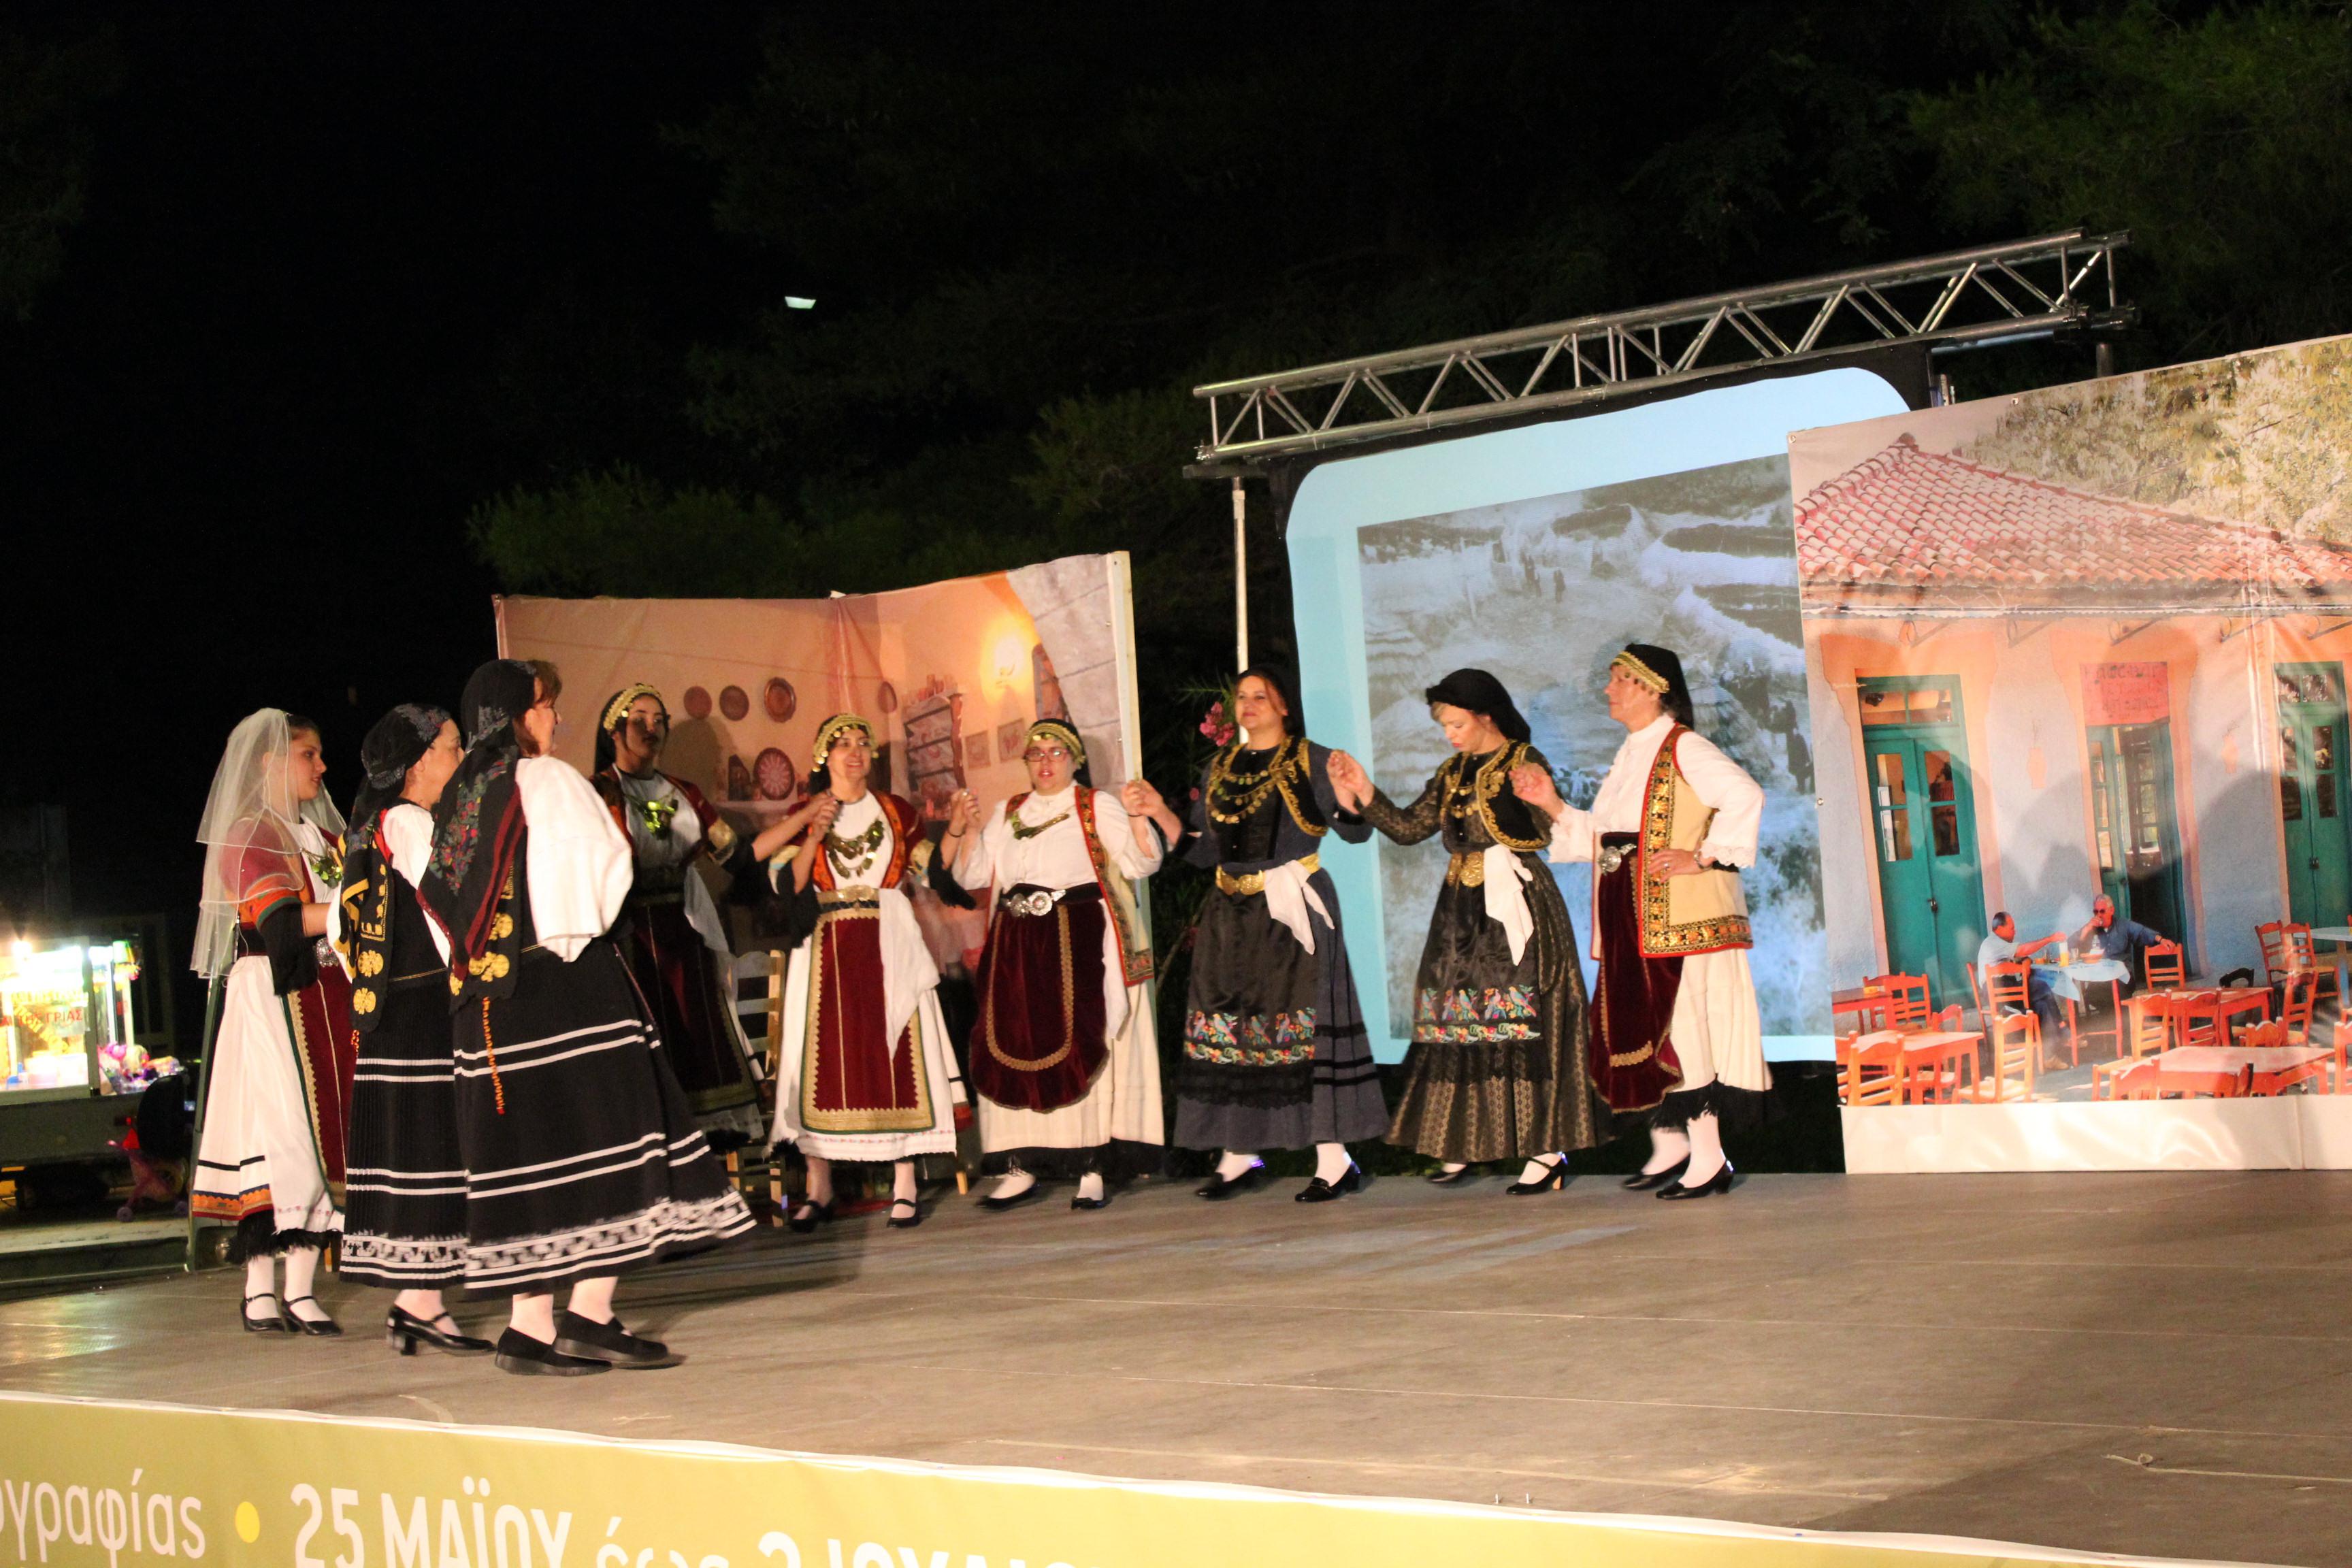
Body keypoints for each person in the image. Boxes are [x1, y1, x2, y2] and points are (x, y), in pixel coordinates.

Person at [422, 659, 754, 1376]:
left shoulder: (457, 802)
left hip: (486, 1004)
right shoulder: (548, 780)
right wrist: (579, 937)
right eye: (544, 707)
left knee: (533, 1159)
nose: (556, 719)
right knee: (623, 1138)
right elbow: (606, 872)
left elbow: (439, 910)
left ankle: (530, 1327)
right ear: (518, 716)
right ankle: (591, 1314)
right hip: (568, 983)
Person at [1327, 670, 1608, 1192]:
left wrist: (1541, 801)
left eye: (1457, 724)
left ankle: (1546, 1152)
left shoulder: (1523, 761)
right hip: (1461, 911)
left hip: (1513, 903)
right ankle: (1464, 1141)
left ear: (1486, 716)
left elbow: (1545, 830)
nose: (1450, 734)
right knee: (1457, 1019)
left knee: (1521, 1019)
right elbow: (1410, 828)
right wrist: (1364, 791)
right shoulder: (1453, 770)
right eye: (1445, 726)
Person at [1512, 644, 1769, 1200]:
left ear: (1654, 689)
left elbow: (1745, 795)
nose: (1609, 690)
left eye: (1621, 680)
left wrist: (1701, 856)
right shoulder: (1633, 752)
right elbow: (1610, 838)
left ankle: (1710, 1160)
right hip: (1634, 917)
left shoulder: (1684, 746)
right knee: (1663, 1036)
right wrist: (1552, 804)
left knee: (1687, 1031)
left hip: (1679, 916)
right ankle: (1687, 1152)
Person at [1126, 667, 1388, 1201]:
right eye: (1241, 697)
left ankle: (1334, 1160)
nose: (1248, 705)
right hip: (1230, 913)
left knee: (1305, 1028)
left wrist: (1347, 797)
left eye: (1260, 696)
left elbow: (1356, 834)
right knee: (1231, 1028)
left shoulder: (1313, 760)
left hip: (1292, 910)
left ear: (1284, 706)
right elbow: (1202, 850)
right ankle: (1239, 1153)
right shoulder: (1221, 767)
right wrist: (1158, 812)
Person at [941, 719, 1164, 1211]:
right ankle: (1017, 1165)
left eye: (1056, 752)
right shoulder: (1009, 811)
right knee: (1008, 1044)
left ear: (1075, 759)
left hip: (1075, 937)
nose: (1045, 762)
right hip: (1016, 944)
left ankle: (1092, 1167)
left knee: (1082, 1042)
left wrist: (1136, 817)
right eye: (1035, 753)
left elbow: (1140, 864)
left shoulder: (1095, 805)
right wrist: (972, 828)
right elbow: (973, 875)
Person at [327, 704, 491, 1356]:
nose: (460, 757)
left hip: (393, 1011)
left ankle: (419, 1302)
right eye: (452, 746)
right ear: (421, 761)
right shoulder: (412, 822)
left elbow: (342, 930)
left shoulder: (371, 827)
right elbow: (449, 904)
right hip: (423, 1012)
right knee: (433, 1144)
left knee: (421, 1147)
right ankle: (419, 1302)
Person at [591, 685, 821, 1147]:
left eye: (659, 720)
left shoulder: (684, 793)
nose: (652, 728)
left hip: (685, 935)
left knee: (699, 1037)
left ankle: (710, 1153)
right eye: (640, 719)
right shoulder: (597, 792)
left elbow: (739, 857)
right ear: (614, 730)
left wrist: (804, 819)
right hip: (630, 937)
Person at [191, 710, 358, 1335]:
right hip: (271, 993)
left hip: (323, 994)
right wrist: (351, 908)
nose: (322, 766)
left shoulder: (323, 837)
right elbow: (280, 924)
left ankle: (301, 1289)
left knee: (319, 1133)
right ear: (270, 761)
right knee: (278, 1129)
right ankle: (260, 1288)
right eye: (308, 754)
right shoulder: (249, 836)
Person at [766, 713, 966, 1232]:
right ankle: (820, 1187)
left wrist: (956, 829)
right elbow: (788, 884)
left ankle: (905, 1183)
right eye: (843, 744)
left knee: (895, 1051)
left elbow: (930, 871)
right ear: (823, 756)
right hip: (827, 941)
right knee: (821, 1057)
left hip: (888, 938)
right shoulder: (803, 813)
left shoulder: (896, 811)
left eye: (862, 743)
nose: (855, 752)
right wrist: (814, 831)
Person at [1975, 912, 2066, 1068]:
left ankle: (2049, 1056)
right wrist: (2050, 939)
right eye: (2012, 928)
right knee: (2043, 987)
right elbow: (2023, 951)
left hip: (2009, 990)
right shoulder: (1993, 944)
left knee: (2042, 1005)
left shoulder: (2002, 944)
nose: (2015, 931)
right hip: (2000, 993)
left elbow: (2025, 958)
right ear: (1999, 929)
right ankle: (2063, 1030)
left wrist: (2025, 965)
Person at [2073, 895, 2164, 991]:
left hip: (2122, 976)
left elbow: (2141, 932)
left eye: (2102, 911)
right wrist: (2086, 930)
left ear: (2112, 911)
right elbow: (2073, 947)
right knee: (2092, 995)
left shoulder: (2123, 924)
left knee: (2116, 992)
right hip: (2100, 977)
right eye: (2096, 912)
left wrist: (2161, 940)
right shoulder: (2091, 928)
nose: (2099, 915)